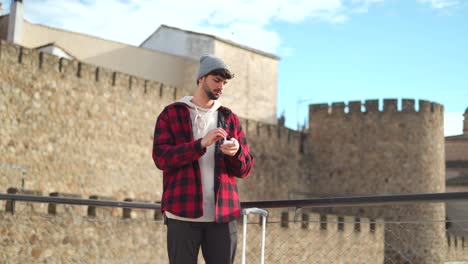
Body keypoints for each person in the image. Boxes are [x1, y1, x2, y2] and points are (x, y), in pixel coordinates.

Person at [152, 55, 254, 264]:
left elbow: (245, 169)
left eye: (224, 83)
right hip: (182, 214)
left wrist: (236, 153)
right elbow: (161, 158)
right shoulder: (172, 114)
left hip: (223, 215)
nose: (221, 87)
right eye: (216, 80)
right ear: (201, 79)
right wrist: (200, 144)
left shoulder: (229, 118)